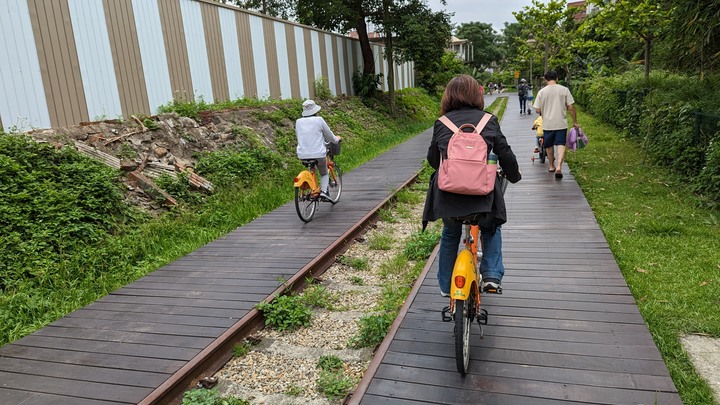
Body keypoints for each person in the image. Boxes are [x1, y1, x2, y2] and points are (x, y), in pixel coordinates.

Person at [423, 75, 522, 296]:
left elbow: (432, 160)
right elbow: (505, 154)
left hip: (448, 196)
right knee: (490, 227)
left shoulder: (442, 123)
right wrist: (514, 176)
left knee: (450, 233)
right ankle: (492, 276)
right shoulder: (489, 120)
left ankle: (446, 286)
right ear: (477, 94)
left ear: (448, 96)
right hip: (482, 196)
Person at [532, 70, 578, 179]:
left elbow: (538, 110)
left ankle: (551, 166)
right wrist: (575, 121)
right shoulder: (564, 90)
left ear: (545, 79)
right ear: (557, 78)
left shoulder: (542, 92)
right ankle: (559, 167)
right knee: (561, 144)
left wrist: (544, 109)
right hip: (561, 123)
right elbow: (571, 107)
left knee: (548, 144)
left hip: (547, 124)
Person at [295, 99, 341, 200]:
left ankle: (312, 189)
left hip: (302, 154)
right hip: (318, 154)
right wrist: (336, 140)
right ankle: (324, 191)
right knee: (324, 173)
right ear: (315, 110)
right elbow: (329, 135)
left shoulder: (298, 122)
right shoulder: (319, 120)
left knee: (312, 168)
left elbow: (300, 137)